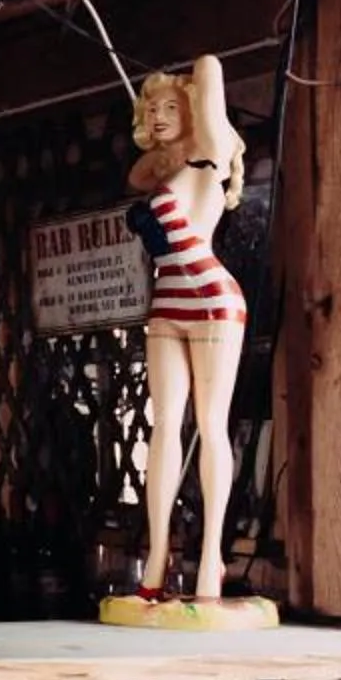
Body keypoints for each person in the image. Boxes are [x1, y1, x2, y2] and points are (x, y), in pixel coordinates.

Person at [123, 56, 248, 600]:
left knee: (210, 425)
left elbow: (212, 68)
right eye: (149, 109)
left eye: (168, 107)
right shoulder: (169, 167)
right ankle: (155, 558)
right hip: (168, 300)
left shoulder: (210, 153)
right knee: (163, 427)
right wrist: (163, 128)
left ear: (195, 108)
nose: (156, 116)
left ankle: (211, 559)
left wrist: (193, 85)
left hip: (213, 299)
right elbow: (137, 174)